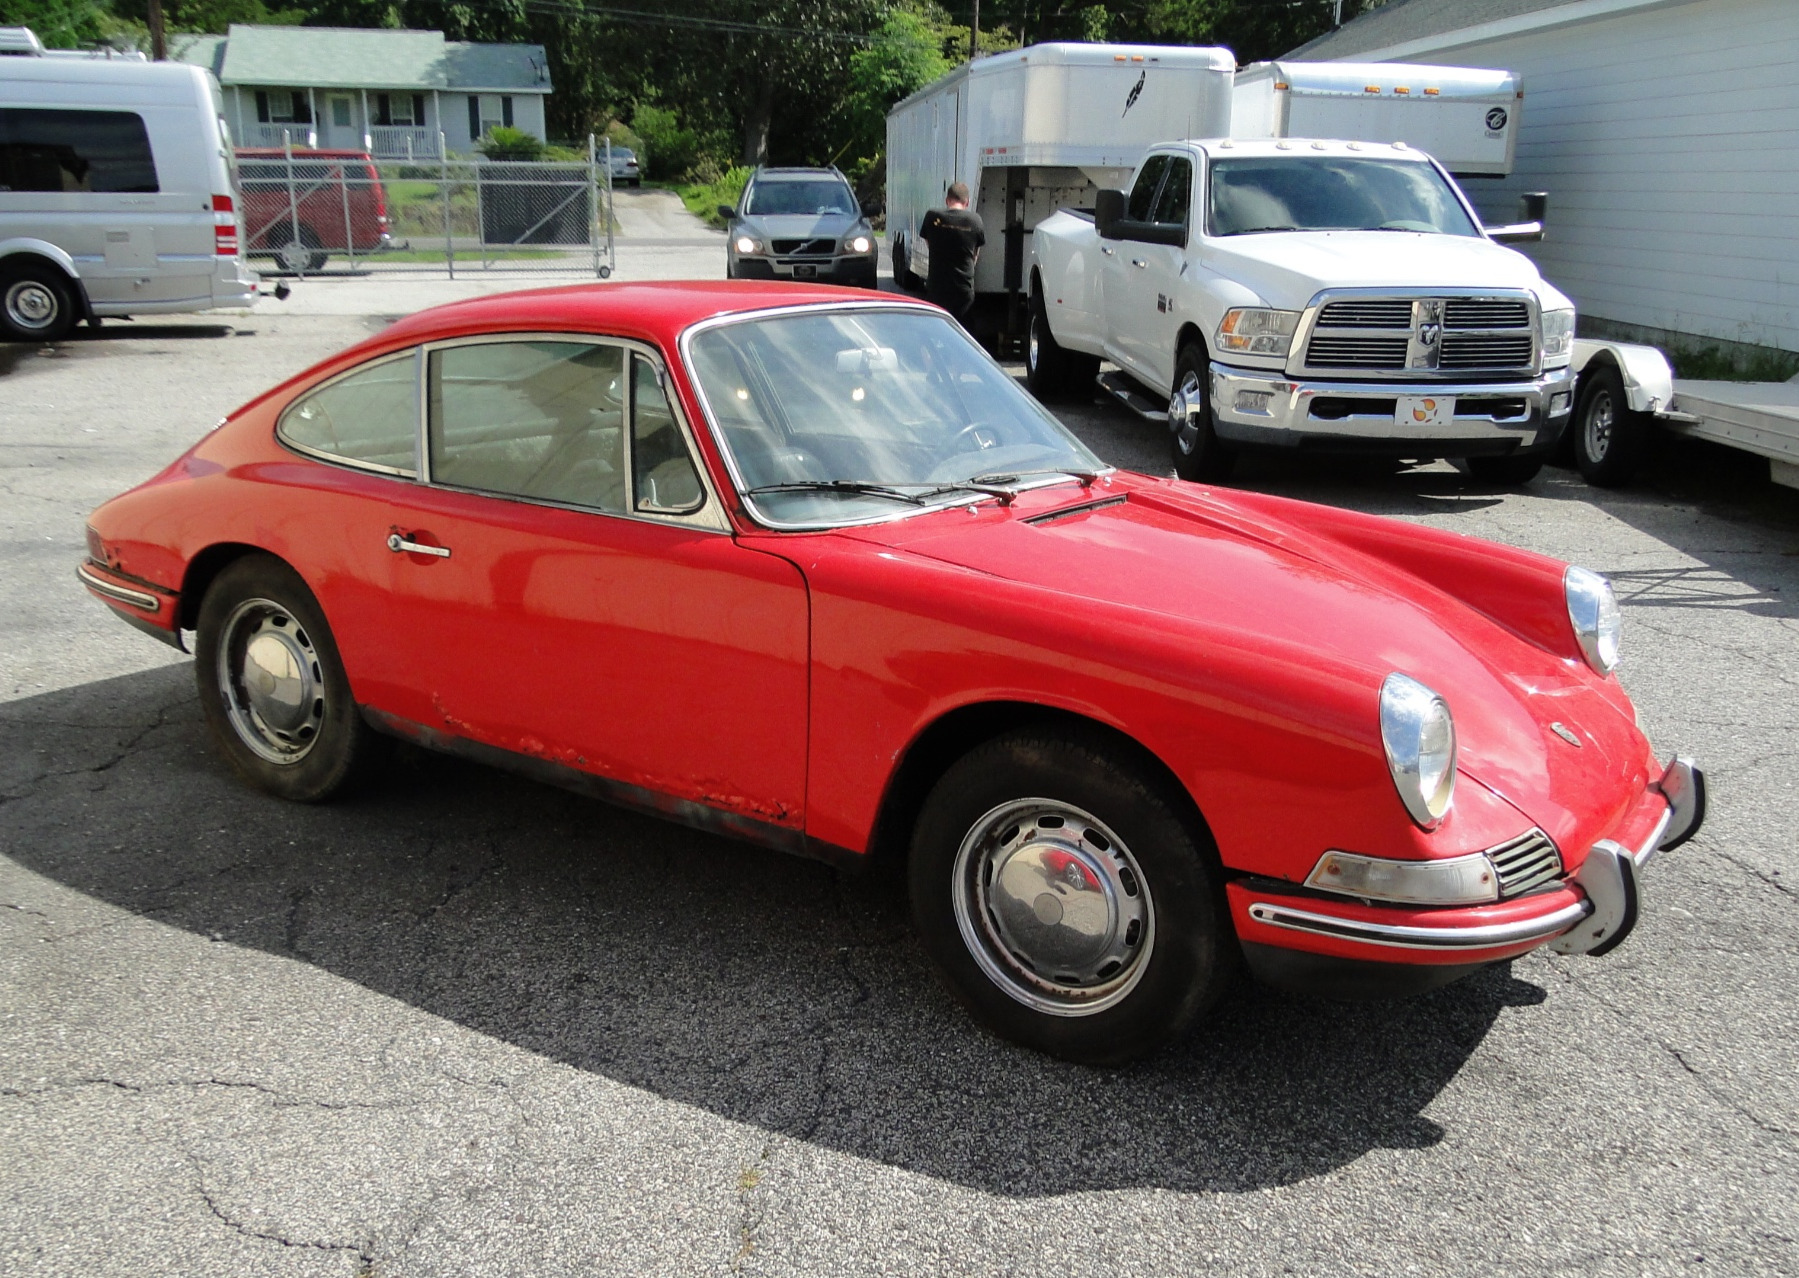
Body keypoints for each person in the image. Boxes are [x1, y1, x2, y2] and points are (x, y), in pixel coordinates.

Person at [917, 182, 985, 322]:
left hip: (937, 287)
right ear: (967, 202)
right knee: (962, 330)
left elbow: (930, 244)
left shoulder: (932, 216)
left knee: (937, 327)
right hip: (963, 288)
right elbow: (975, 254)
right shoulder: (975, 220)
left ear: (947, 200)